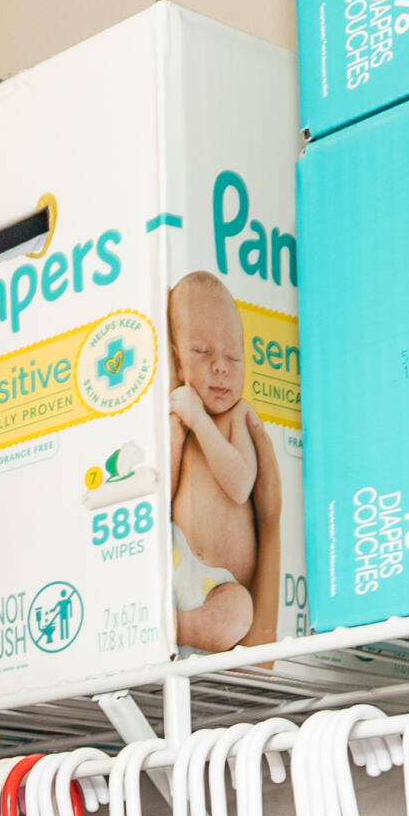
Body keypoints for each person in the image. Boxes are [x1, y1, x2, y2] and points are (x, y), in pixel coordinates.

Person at [164, 271, 280, 655]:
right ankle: (158, 620)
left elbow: (241, 483)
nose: (220, 367)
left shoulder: (237, 417)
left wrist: (200, 422)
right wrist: (178, 432)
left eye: (233, 357)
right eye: (202, 353)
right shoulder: (181, 415)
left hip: (222, 587)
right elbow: (163, 491)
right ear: (179, 362)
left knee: (238, 612)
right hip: (176, 557)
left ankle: (175, 627)